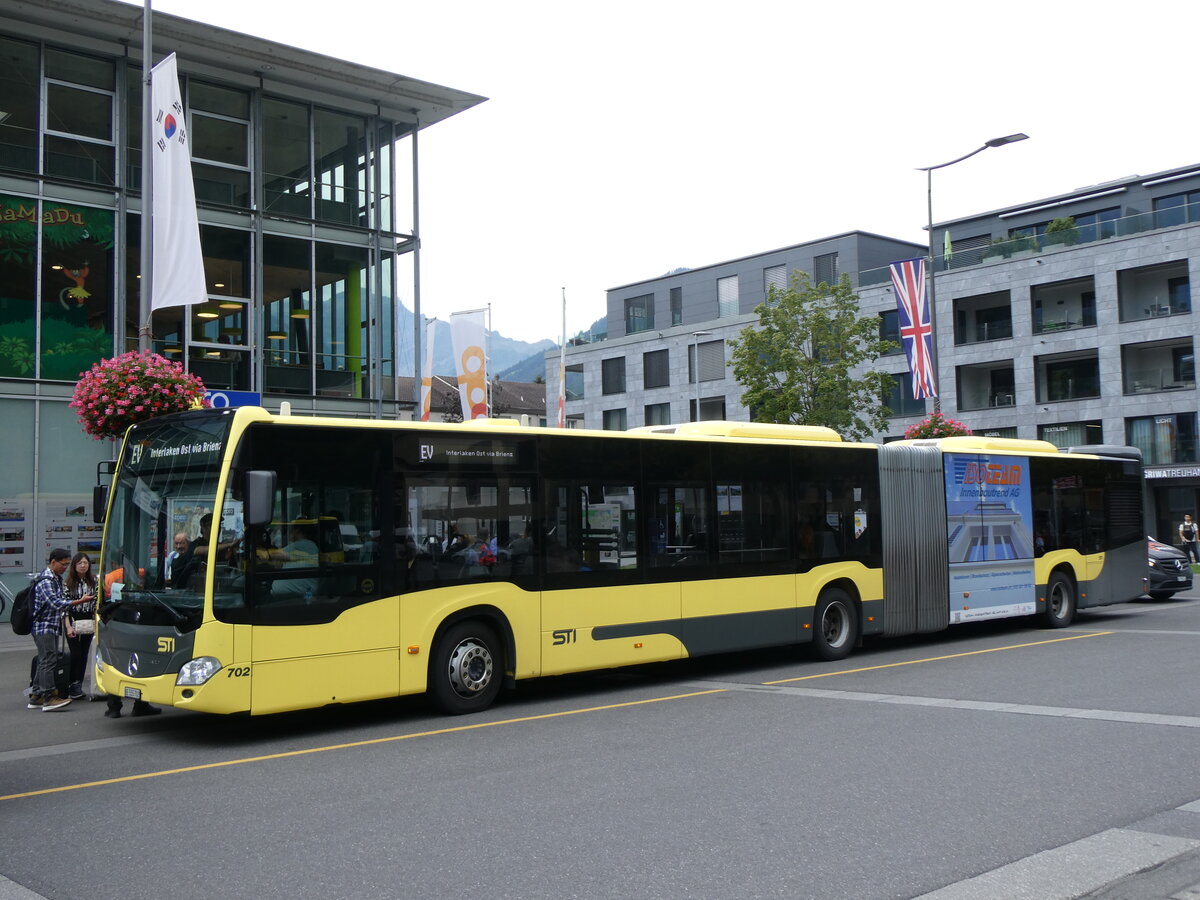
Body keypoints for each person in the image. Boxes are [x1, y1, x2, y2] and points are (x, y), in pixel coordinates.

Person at [28, 548, 92, 711]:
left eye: (67, 564)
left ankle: (36, 695)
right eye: (63, 564)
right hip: (44, 627)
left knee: (45, 659)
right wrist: (79, 601)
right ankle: (49, 697)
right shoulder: (46, 581)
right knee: (49, 660)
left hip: (50, 626)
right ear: (53, 562)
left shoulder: (56, 578)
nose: (65, 567)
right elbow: (56, 603)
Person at [63, 552, 97, 700]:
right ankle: (70, 683)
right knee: (75, 653)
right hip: (72, 619)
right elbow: (64, 607)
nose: (83, 565)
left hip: (88, 619)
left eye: (85, 563)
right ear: (74, 566)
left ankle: (78, 685)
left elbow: (96, 603)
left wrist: (96, 621)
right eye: (80, 563)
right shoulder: (68, 583)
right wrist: (68, 627)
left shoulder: (93, 581)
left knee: (84, 654)